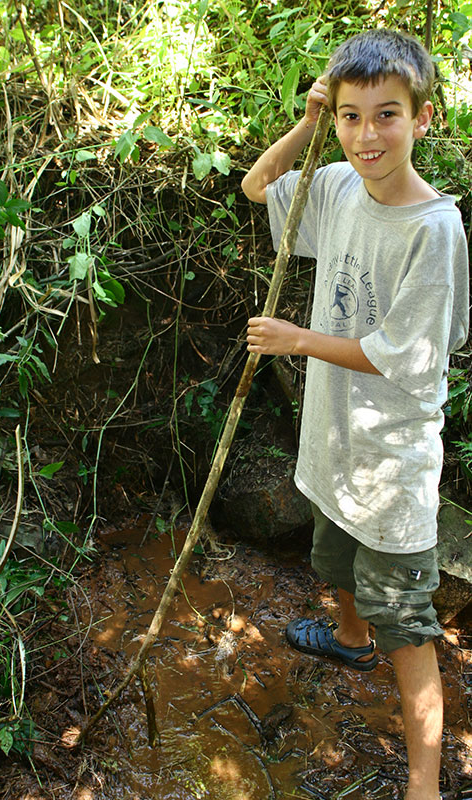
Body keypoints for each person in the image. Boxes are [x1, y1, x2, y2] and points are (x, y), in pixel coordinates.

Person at [241, 28, 469, 800]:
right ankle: (347, 639)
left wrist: (294, 339)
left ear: (423, 119)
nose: (366, 135)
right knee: (332, 558)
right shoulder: (335, 182)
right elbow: (256, 186)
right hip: (335, 440)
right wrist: (306, 124)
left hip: (392, 462)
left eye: (386, 115)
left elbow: (402, 354)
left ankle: (423, 785)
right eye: (349, 115)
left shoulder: (433, 230)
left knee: (408, 627)